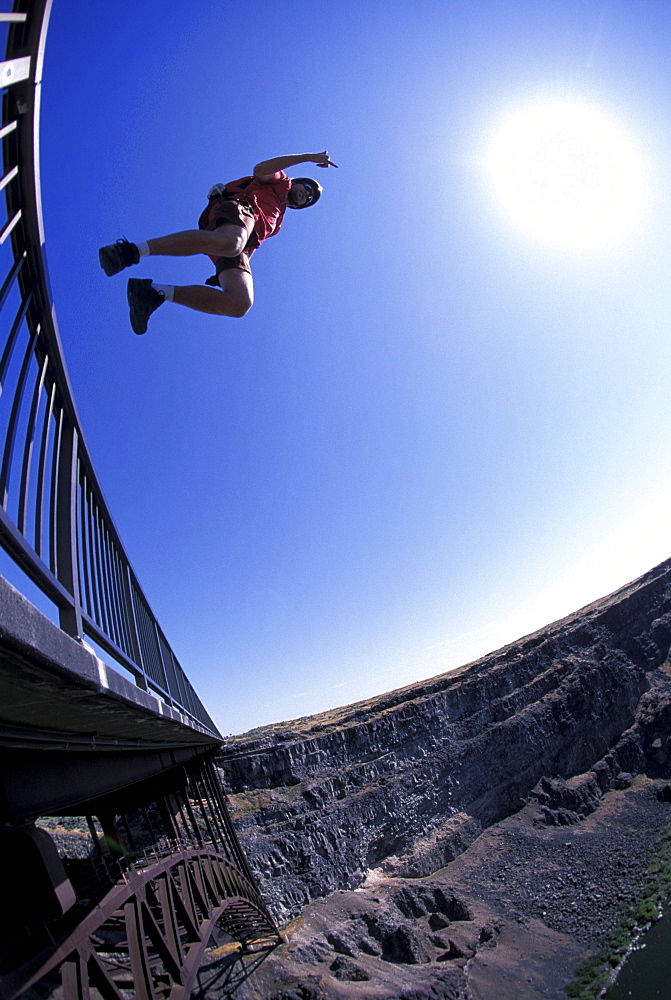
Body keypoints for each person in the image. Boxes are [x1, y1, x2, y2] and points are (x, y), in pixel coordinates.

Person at [98, 151, 338, 334]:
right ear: (297, 182)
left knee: (240, 303)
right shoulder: (279, 181)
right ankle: (128, 251)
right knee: (232, 242)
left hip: (241, 240)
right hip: (237, 210)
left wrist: (227, 267)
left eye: (309, 199)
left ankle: (152, 293)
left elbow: (253, 243)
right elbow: (260, 168)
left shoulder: (278, 222)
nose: (305, 195)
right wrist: (309, 157)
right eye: (306, 188)